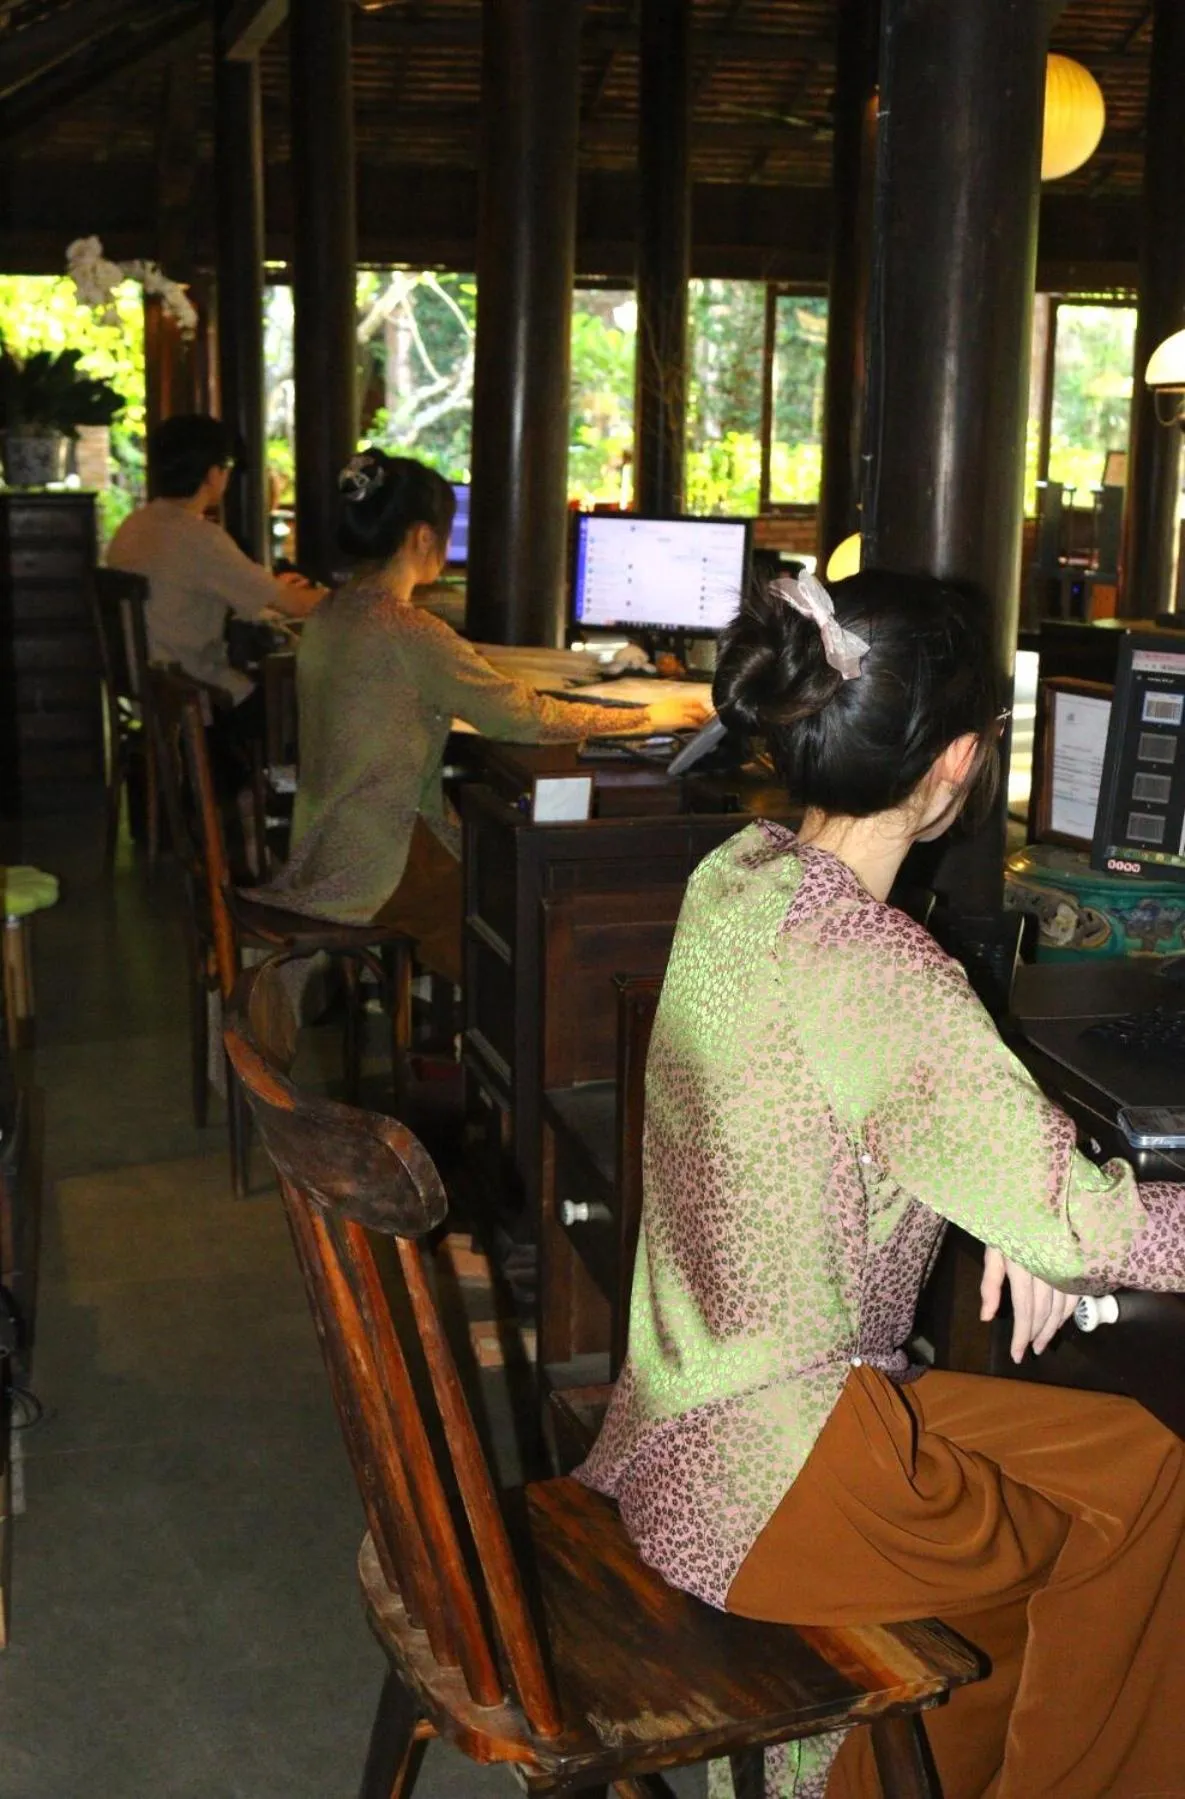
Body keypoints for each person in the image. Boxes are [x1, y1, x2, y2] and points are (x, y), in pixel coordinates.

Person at [578, 568, 1185, 1799]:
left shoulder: (737, 874)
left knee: (1136, 1460)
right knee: (1090, 1535)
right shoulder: (879, 968)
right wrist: (1042, 1210)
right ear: (959, 762)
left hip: (681, 1422)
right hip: (778, 1471)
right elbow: (1083, 1223)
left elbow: (838, 1111)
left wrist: (1000, 1190)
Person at [255, 450, 709, 985]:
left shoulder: (332, 610)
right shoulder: (407, 630)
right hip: (379, 860)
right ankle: (499, 1030)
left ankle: (453, 1020)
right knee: (534, 924)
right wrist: (648, 718)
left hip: (321, 844)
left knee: (505, 881)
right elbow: (523, 718)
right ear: (423, 537)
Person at [107, 414, 324, 789]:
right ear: (212, 474)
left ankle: (253, 809)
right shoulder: (198, 537)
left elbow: (209, 585)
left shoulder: (135, 525)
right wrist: (357, 595)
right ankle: (280, 811)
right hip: (191, 691)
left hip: (148, 688)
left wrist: (267, 587)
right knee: (305, 708)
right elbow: (295, 605)